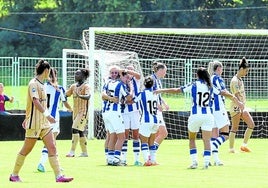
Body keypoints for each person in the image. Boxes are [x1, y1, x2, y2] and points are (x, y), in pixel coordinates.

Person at [9, 59, 73, 183]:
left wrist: (45, 117)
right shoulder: (33, 83)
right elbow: (35, 101)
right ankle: (14, 174)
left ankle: (59, 176)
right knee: (26, 149)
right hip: (34, 123)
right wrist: (46, 115)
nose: (50, 74)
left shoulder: (42, 84)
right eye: (49, 71)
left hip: (44, 124)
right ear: (46, 70)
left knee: (52, 147)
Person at [155, 67, 219, 169]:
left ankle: (194, 163)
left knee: (192, 139)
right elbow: (222, 92)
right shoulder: (210, 86)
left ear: (197, 75)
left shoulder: (194, 84)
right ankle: (206, 163)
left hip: (195, 115)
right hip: (208, 116)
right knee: (207, 140)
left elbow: (177, 90)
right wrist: (235, 99)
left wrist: (161, 90)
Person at [208, 61, 244, 165]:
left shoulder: (209, 79)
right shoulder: (218, 78)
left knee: (214, 135)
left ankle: (215, 159)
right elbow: (224, 92)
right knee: (226, 134)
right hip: (219, 109)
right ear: (218, 68)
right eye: (222, 68)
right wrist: (237, 101)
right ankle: (212, 148)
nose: (222, 70)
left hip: (211, 109)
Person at [37, 68, 72, 172]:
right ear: (56, 76)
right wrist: (71, 109)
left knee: (52, 141)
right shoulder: (59, 89)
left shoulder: (42, 87)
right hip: (53, 117)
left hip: (43, 115)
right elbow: (65, 102)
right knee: (51, 141)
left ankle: (55, 164)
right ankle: (42, 163)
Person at [102, 70, 133, 166]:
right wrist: (131, 88)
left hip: (106, 112)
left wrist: (111, 99)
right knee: (121, 137)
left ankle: (110, 159)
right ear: (121, 76)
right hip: (115, 113)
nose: (127, 79)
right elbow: (129, 98)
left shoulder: (107, 83)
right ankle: (116, 159)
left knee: (112, 136)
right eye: (126, 77)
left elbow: (103, 96)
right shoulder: (120, 85)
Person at [229, 57, 255, 153]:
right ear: (241, 69)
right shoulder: (234, 80)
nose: (246, 73)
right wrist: (240, 104)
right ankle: (231, 149)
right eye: (246, 70)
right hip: (236, 107)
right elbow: (235, 95)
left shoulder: (240, 80)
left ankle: (244, 146)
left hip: (242, 107)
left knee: (251, 124)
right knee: (234, 128)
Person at [133, 75, 158, 166]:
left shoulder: (141, 94)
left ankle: (147, 160)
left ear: (144, 84)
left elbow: (132, 100)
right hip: (155, 120)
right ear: (153, 84)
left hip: (145, 120)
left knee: (144, 142)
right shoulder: (156, 93)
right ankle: (153, 160)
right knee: (151, 142)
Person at [66, 68, 91, 157]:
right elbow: (66, 94)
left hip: (83, 112)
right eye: (75, 74)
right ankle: (84, 152)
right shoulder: (73, 86)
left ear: (84, 76)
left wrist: (80, 96)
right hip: (75, 112)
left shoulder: (86, 86)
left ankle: (72, 151)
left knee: (74, 129)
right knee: (80, 131)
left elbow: (88, 96)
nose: (75, 76)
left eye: (78, 74)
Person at [120, 65, 143, 166]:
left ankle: (137, 159)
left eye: (131, 70)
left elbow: (138, 75)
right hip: (124, 111)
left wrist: (128, 70)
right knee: (124, 136)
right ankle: (123, 159)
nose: (129, 73)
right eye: (128, 71)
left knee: (135, 135)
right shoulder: (121, 81)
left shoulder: (135, 80)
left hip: (135, 111)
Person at [151, 61, 169, 165]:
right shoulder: (152, 79)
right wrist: (157, 105)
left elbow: (158, 95)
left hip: (157, 110)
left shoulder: (158, 80)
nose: (165, 73)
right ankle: (150, 155)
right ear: (160, 70)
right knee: (163, 133)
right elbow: (150, 94)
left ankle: (152, 158)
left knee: (157, 134)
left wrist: (164, 103)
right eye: (165, 71)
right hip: (153, 111)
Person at [101, 65, 120, 164]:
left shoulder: (110, 83)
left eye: (116, 72)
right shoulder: (109, 83)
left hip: (107, 112)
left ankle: (108, 157)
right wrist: (112, 99)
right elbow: (103, 95)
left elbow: (104, 96)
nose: (114, 74)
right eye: (112, 72)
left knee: (109, 135)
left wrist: (109, 98)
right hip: (110, 112)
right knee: (113, 135)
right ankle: (111, 158)